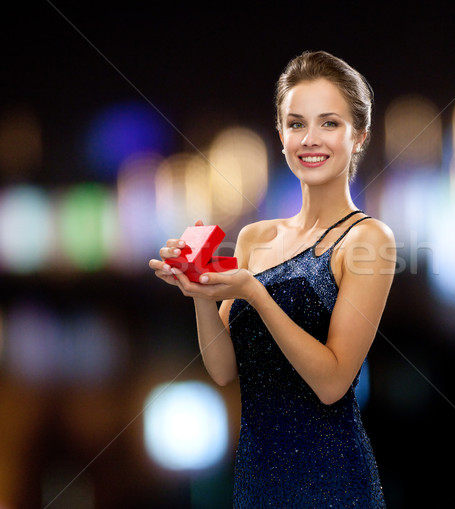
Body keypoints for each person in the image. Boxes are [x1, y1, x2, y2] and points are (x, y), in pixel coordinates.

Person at [149, 50, 395, 508]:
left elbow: (333, 383)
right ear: (281, 136)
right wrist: (198, 291)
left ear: (358, 136)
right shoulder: (254, 237)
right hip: (257, 479)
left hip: (333, 482)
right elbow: (224, 371)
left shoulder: (368, 239)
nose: (310, 139)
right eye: (297, 123)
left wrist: (255, 294)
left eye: (329, 123)